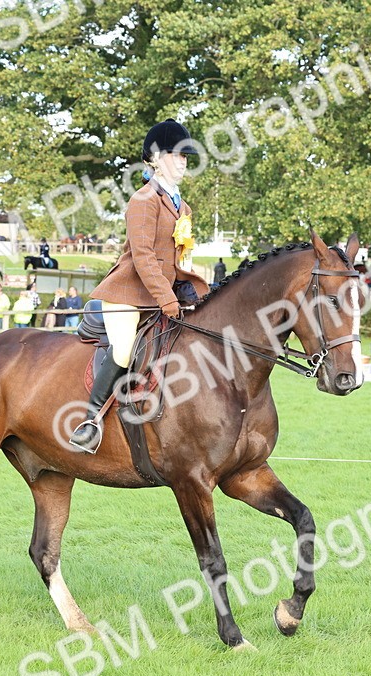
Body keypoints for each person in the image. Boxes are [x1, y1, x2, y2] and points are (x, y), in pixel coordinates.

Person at [69, 119, 209, 453]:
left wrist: (194, 288)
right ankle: (90, 421)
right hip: (128, 293)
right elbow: (144, 258)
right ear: (157, 158)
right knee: (123, 348)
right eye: (178, 155)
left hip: (163, 294)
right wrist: (166, 298)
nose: (184, 162)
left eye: (187, 157)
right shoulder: (143, 200)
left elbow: (181, 257)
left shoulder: (181, 206)